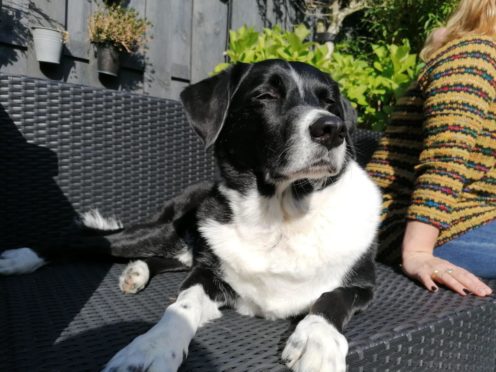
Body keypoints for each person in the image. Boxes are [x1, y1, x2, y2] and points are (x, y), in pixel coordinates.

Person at [366, 0, 496, 297]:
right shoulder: (474, 57)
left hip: (472, 213)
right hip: (403, 220)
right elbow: (446, 157)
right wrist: (418, 252)